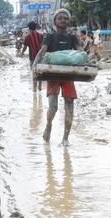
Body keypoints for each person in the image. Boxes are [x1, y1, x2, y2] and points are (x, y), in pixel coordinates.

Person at [32, 8, 81, 145]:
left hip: (68, 76)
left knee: (70, 106)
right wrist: (34, 66)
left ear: (69, 21)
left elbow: (80, 52)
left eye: (66, 18)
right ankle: (48, 125)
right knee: (53, 107)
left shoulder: (72, 38)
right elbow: (42, 51)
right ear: (55, 21)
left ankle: (65, 138)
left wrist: (89, 61)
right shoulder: (49, 37)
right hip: (53, 75)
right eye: (60, 18)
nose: (63, 20)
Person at [21, 21, 44, 91]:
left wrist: (22, 53)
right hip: (40, 57)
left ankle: (34, 89)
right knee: (40, 72)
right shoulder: (41, 35)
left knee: (34, 72)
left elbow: (25, 47)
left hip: (33, 57)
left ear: (29, 28)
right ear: (35, 27)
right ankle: (40, 87)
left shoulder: (28, 37)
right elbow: (43, 46)